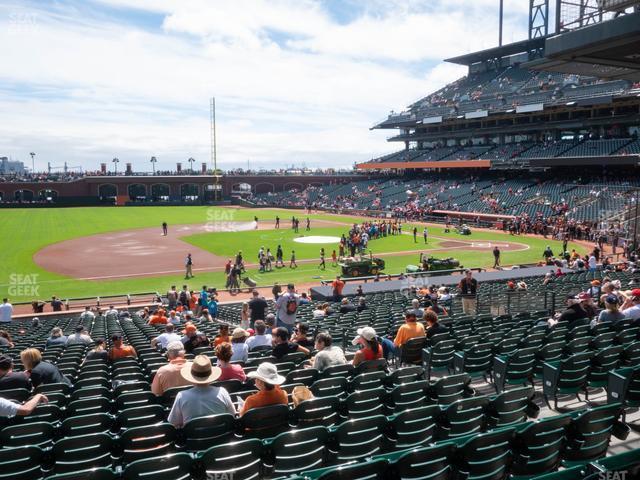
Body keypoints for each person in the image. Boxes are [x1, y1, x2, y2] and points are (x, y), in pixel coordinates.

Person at [167, 355, 236, 428]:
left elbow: (173, 422)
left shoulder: (181, 396)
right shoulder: (222, 392)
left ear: (192, 376)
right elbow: (233, 414)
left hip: (192, 438)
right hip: (222, 437)